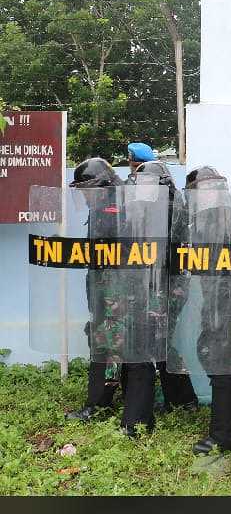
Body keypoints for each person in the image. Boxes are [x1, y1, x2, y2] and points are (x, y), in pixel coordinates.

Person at [64, 157, 156, 433]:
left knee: (136, 353)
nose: (84, 196)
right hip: (102, 292)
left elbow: (139, 253)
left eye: (87, 190)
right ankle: (98, 403)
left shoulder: (129, 206)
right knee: (101, 346)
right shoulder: (99, 208)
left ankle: (137, 421)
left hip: (129, 294)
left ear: (103, 185)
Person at [175, 166, 231, 456]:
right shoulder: (197, 221)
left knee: (220, 357)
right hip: (215, 303)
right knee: (208, 351)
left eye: (209, 190)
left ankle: (224, 436)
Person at [131, 158, 201, 414]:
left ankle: (183, 399)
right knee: (159, 343)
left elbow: (169, 252)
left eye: (147, 184)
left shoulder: (172, 208)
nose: (142, 190)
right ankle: (181, 399)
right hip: (154, 285)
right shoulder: (149, 208)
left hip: (169, 285)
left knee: (158, 342)